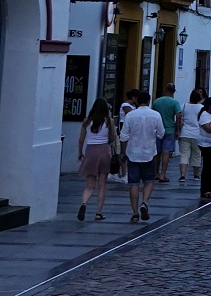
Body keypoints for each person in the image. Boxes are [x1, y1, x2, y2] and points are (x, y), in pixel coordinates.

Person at [119, 89, 165, 222]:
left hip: (133, 152)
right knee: (149, 181)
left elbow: (123, 136)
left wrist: (122, 152)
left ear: (137, 101)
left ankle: (134, 213)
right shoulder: (156, 115)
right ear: (149, 101)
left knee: (133, 183)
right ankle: (144, 203)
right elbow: (161, 134)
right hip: (149, 153)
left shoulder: (130, 115)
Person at [76, 97, 115, 220]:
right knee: (102, 184)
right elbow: (113, 137)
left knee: (89, 184)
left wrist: (80, 153)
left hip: (90, 151)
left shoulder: (87, 121)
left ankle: (84, 203)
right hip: (104, 151)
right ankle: (98, 212)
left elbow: (81, 139)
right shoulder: (109, 121)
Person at [152, 86, 181, 181]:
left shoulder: (157, 101)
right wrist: (178, 130)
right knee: (166, 152)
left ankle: (155, 172)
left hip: (157, 129)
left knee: (157, 152)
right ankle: (163, 174)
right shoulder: (175, 102)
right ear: (174, 91)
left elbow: (153, 114)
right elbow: (178, 116)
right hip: (169, 130)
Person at [178, 88, 206, 182]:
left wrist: (178, 130)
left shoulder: (184, 106)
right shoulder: (201, 108)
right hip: (197, 134)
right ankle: (196, 175)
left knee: (184, 155)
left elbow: (180, 117)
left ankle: (182, 175)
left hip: (185, 133)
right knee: (197, 155)